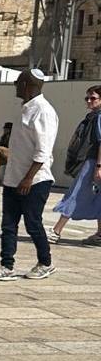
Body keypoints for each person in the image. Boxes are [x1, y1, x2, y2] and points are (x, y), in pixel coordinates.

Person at [0, 69, 59, 281]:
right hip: (13, 178)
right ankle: (6, 266)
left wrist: (28, 179)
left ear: (27, 85)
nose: (15, 86)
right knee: (8, 224)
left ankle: (46, 262)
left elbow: (43, 151)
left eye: (18, 82)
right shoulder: (25, 109)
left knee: (32, 223)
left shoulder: (43, 111)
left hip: (35, 180)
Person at [50, 85, 101, 245]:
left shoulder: (98, 117)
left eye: (93, 98)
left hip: (93, 162)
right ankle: (100, 234)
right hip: (93, 161)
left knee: (76, 193)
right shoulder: (93, 117)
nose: (88, 101)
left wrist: (99, 167)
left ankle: (56, 231)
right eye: (87, 98)